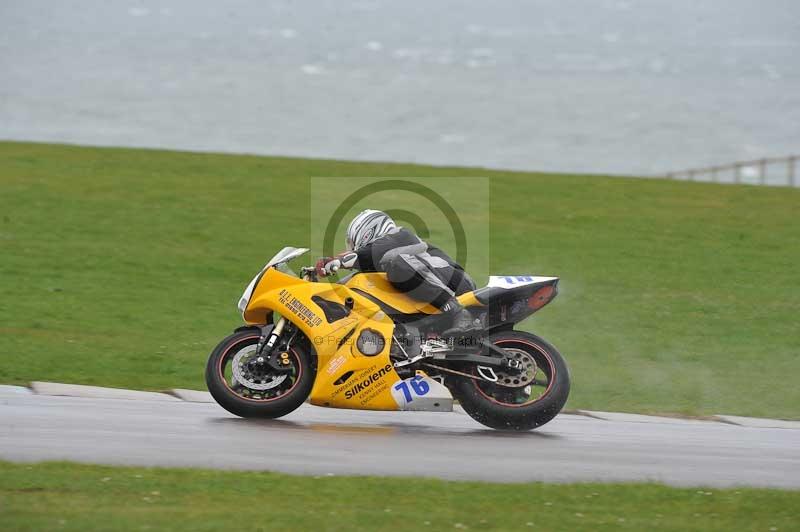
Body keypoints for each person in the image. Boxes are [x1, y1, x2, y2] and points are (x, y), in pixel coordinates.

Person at [315, 209, 478, 336]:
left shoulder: (400, 236)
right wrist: (318, 297)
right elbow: (346, 287)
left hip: (456, 283)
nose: (351, 246)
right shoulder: (375, 263)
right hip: (432, 299)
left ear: (367, 232)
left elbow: (371, 253)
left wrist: (337, 262)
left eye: (351, 242)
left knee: (396, 263)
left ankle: (459, 312)